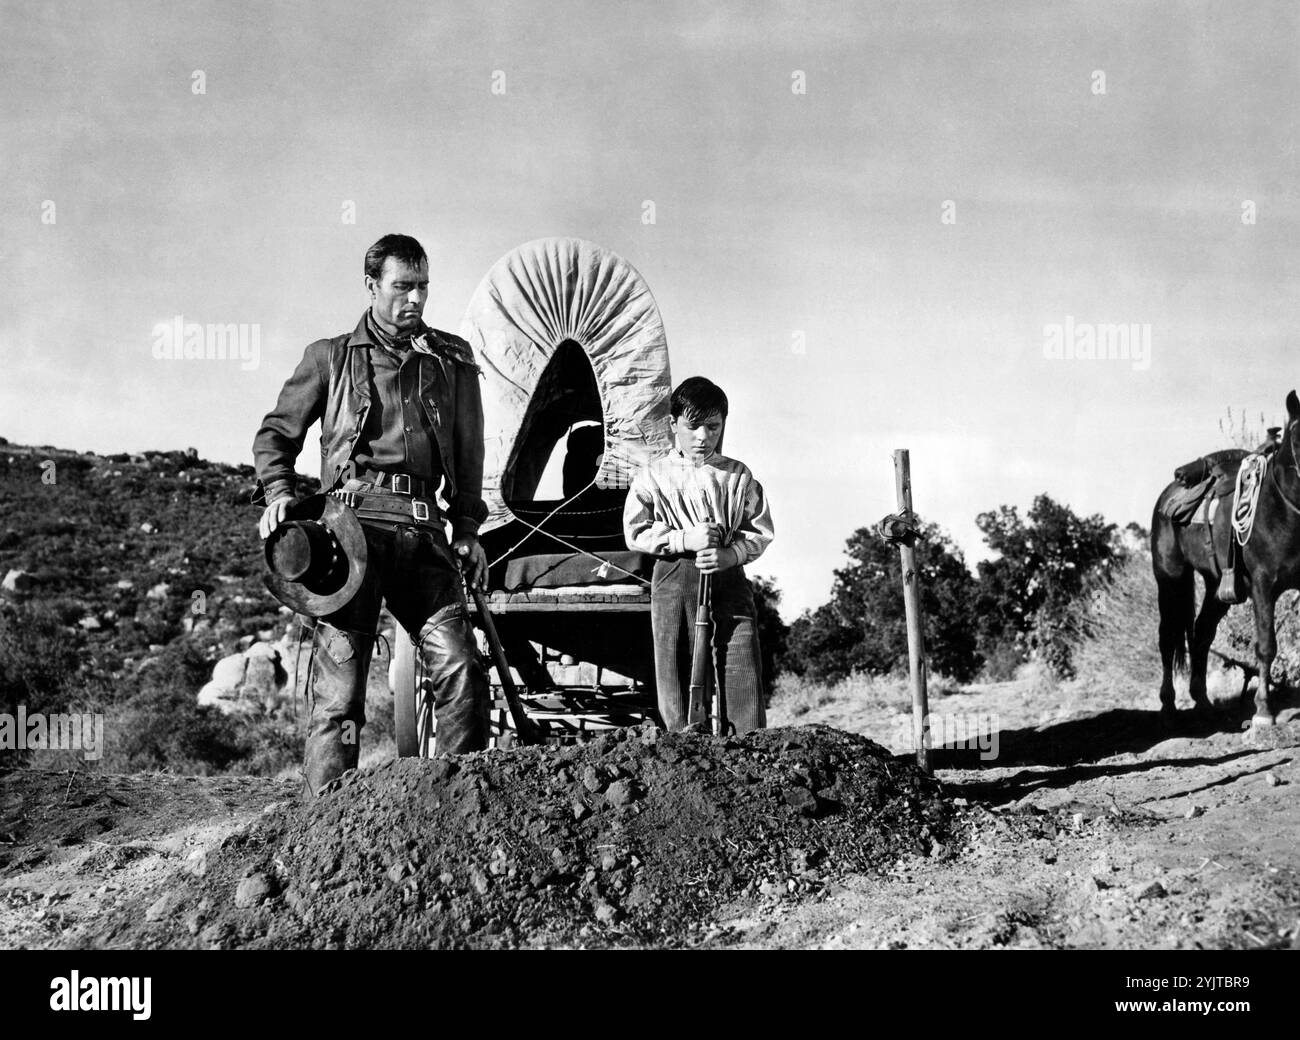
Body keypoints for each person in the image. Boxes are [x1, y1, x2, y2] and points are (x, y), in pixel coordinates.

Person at [252, 233, 490, 795]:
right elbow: (275, 434)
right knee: (340, 697)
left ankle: (457, 811)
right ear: (371, 286)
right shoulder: (329, 356)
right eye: (402, 286)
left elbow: (470, 451)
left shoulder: (451, 362)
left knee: (460, 667)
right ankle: (322, 828)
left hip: (425, 535)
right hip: (349, 538)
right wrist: (279, 491)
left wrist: (470, 529)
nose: (415, 299)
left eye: (423, 287)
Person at [623, 376, 774, 734]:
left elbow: (759, 530)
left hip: (728, 577)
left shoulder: (737, 475)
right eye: (692, 426)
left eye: (713, 426)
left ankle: (749, 744)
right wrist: (682, 539)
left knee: (740, 656)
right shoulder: (653, 476)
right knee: (679, 664)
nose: (703, 436)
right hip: (676, 577)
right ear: (673, 424)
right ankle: (688, 748)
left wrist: (731, 555)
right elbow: (635, 530)